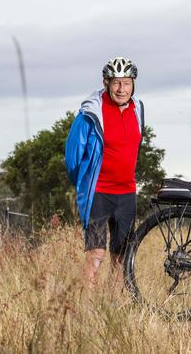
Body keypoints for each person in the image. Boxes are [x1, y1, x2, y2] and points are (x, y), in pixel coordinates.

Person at [65, 57, 145, 290]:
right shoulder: (90, 113)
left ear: (133, 84)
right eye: (116, 83)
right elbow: (72, 157)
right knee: (96, 254)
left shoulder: (138, 109)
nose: (122, 89)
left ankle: (111, 310)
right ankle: (87, 313)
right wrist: (84, 183)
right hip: (99, 193)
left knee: (121, 257)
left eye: (127, 83)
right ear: (106, 83)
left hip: (127, 193)